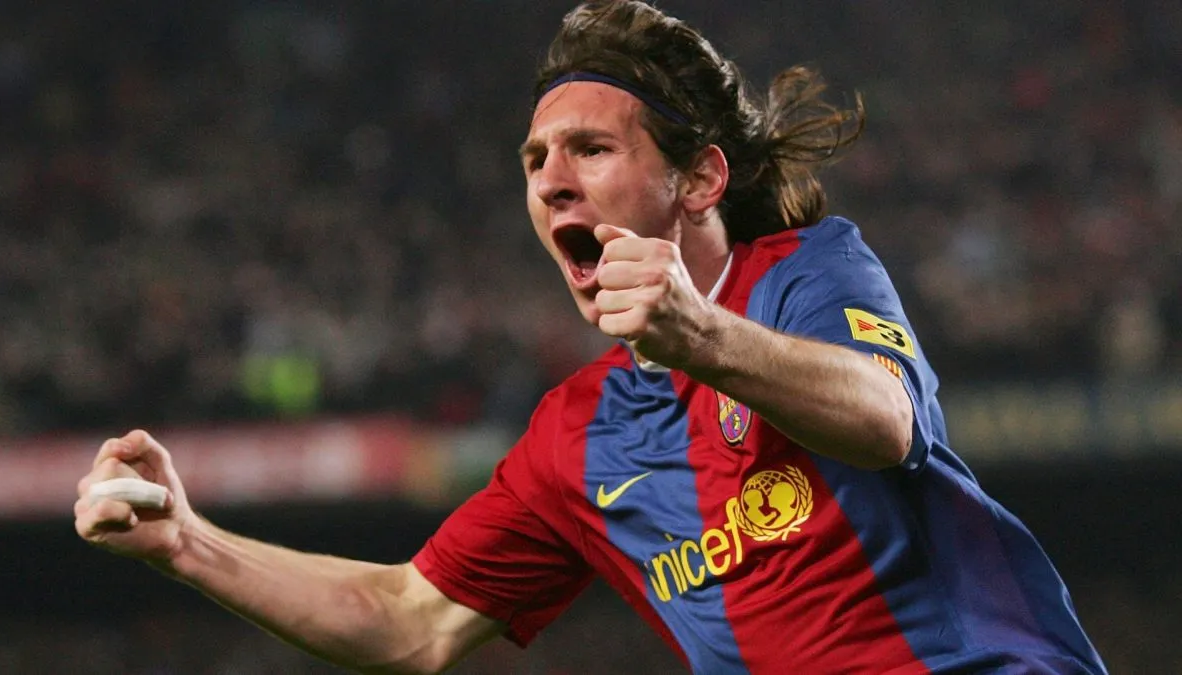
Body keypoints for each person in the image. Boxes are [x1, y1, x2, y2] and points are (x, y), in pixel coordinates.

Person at [74, 2, 1107, 673]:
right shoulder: (576, 438)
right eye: (533, 159)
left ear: (698, 178)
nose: (550, 179)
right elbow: (407, 620)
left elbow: (885, 419)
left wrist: (702, 336)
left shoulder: (803, 275)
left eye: (590, 148)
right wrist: (189, 546)